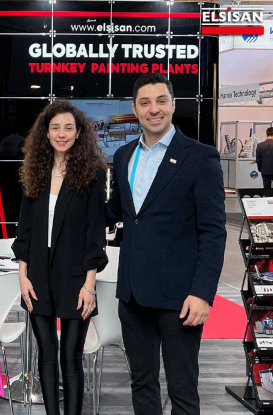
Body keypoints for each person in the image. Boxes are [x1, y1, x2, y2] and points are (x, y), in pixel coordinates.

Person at [106, 73, 226, 415]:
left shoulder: (200, 157)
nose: (153, 109)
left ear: (173, 105)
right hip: (133, 295)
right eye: (145, 103)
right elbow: (117, 211)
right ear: (134, 109)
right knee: (141, 383)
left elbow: (213, 232)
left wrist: (202, 293)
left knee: (182, 390)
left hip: (181, 298)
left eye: (161, 101)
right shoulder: (123, 156)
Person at [11, 100, 108, 415]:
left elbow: (95, 234)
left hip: (76, 277)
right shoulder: (35, 171)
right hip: (37, 277)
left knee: (71, 358)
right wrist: (23, 277)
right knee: (46, 356)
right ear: (46, 132)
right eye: (55, 128)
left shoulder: (92, 174)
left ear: (79, 132)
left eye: (68, 128)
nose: (61, 134)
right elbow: (25, 231)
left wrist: (89, 285)